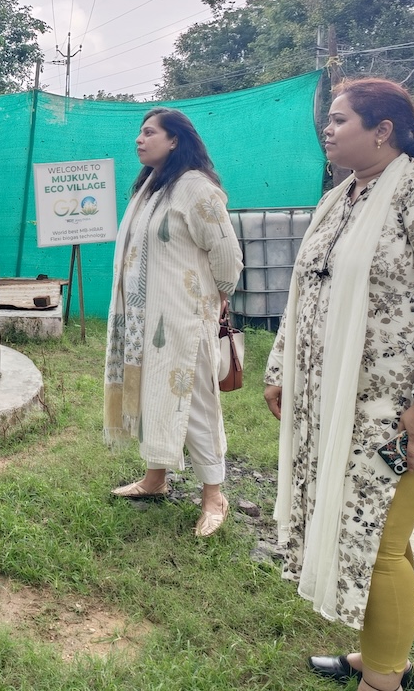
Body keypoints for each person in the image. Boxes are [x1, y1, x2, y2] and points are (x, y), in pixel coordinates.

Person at [263, 78, 414, 691]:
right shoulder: (340, 199)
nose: (327, 129)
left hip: (405, 412)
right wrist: (280, 369)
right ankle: (381, 656)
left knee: (382, 542)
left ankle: (383, 681)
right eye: (327, 119)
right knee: (364, 533)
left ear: (382, 130)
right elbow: (306, 291)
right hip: (342, 405)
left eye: (339, 120)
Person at [104, 108, 243, 537]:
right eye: (140, 132)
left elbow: (226, 254)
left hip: (182, 320)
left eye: (149, 132)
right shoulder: (151, 187)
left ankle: (214, 496)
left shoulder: (196, 188)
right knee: (150, 393)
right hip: (143, 320)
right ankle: (155, 478)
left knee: (195, 402)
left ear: (174, 140)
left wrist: (218, 296)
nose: (139, 139)